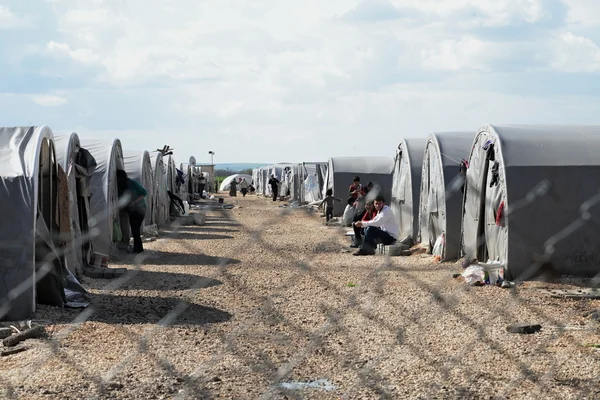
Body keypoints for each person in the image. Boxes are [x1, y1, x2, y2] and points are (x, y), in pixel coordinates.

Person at [116, 169, 147, 253]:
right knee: (134, 229)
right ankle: (137, 248)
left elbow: (144, 192)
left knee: (135, 228)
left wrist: (135, 201)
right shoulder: (120, 186)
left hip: (140, 209)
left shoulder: (132, 183)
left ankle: (138, 249)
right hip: (131, 210)